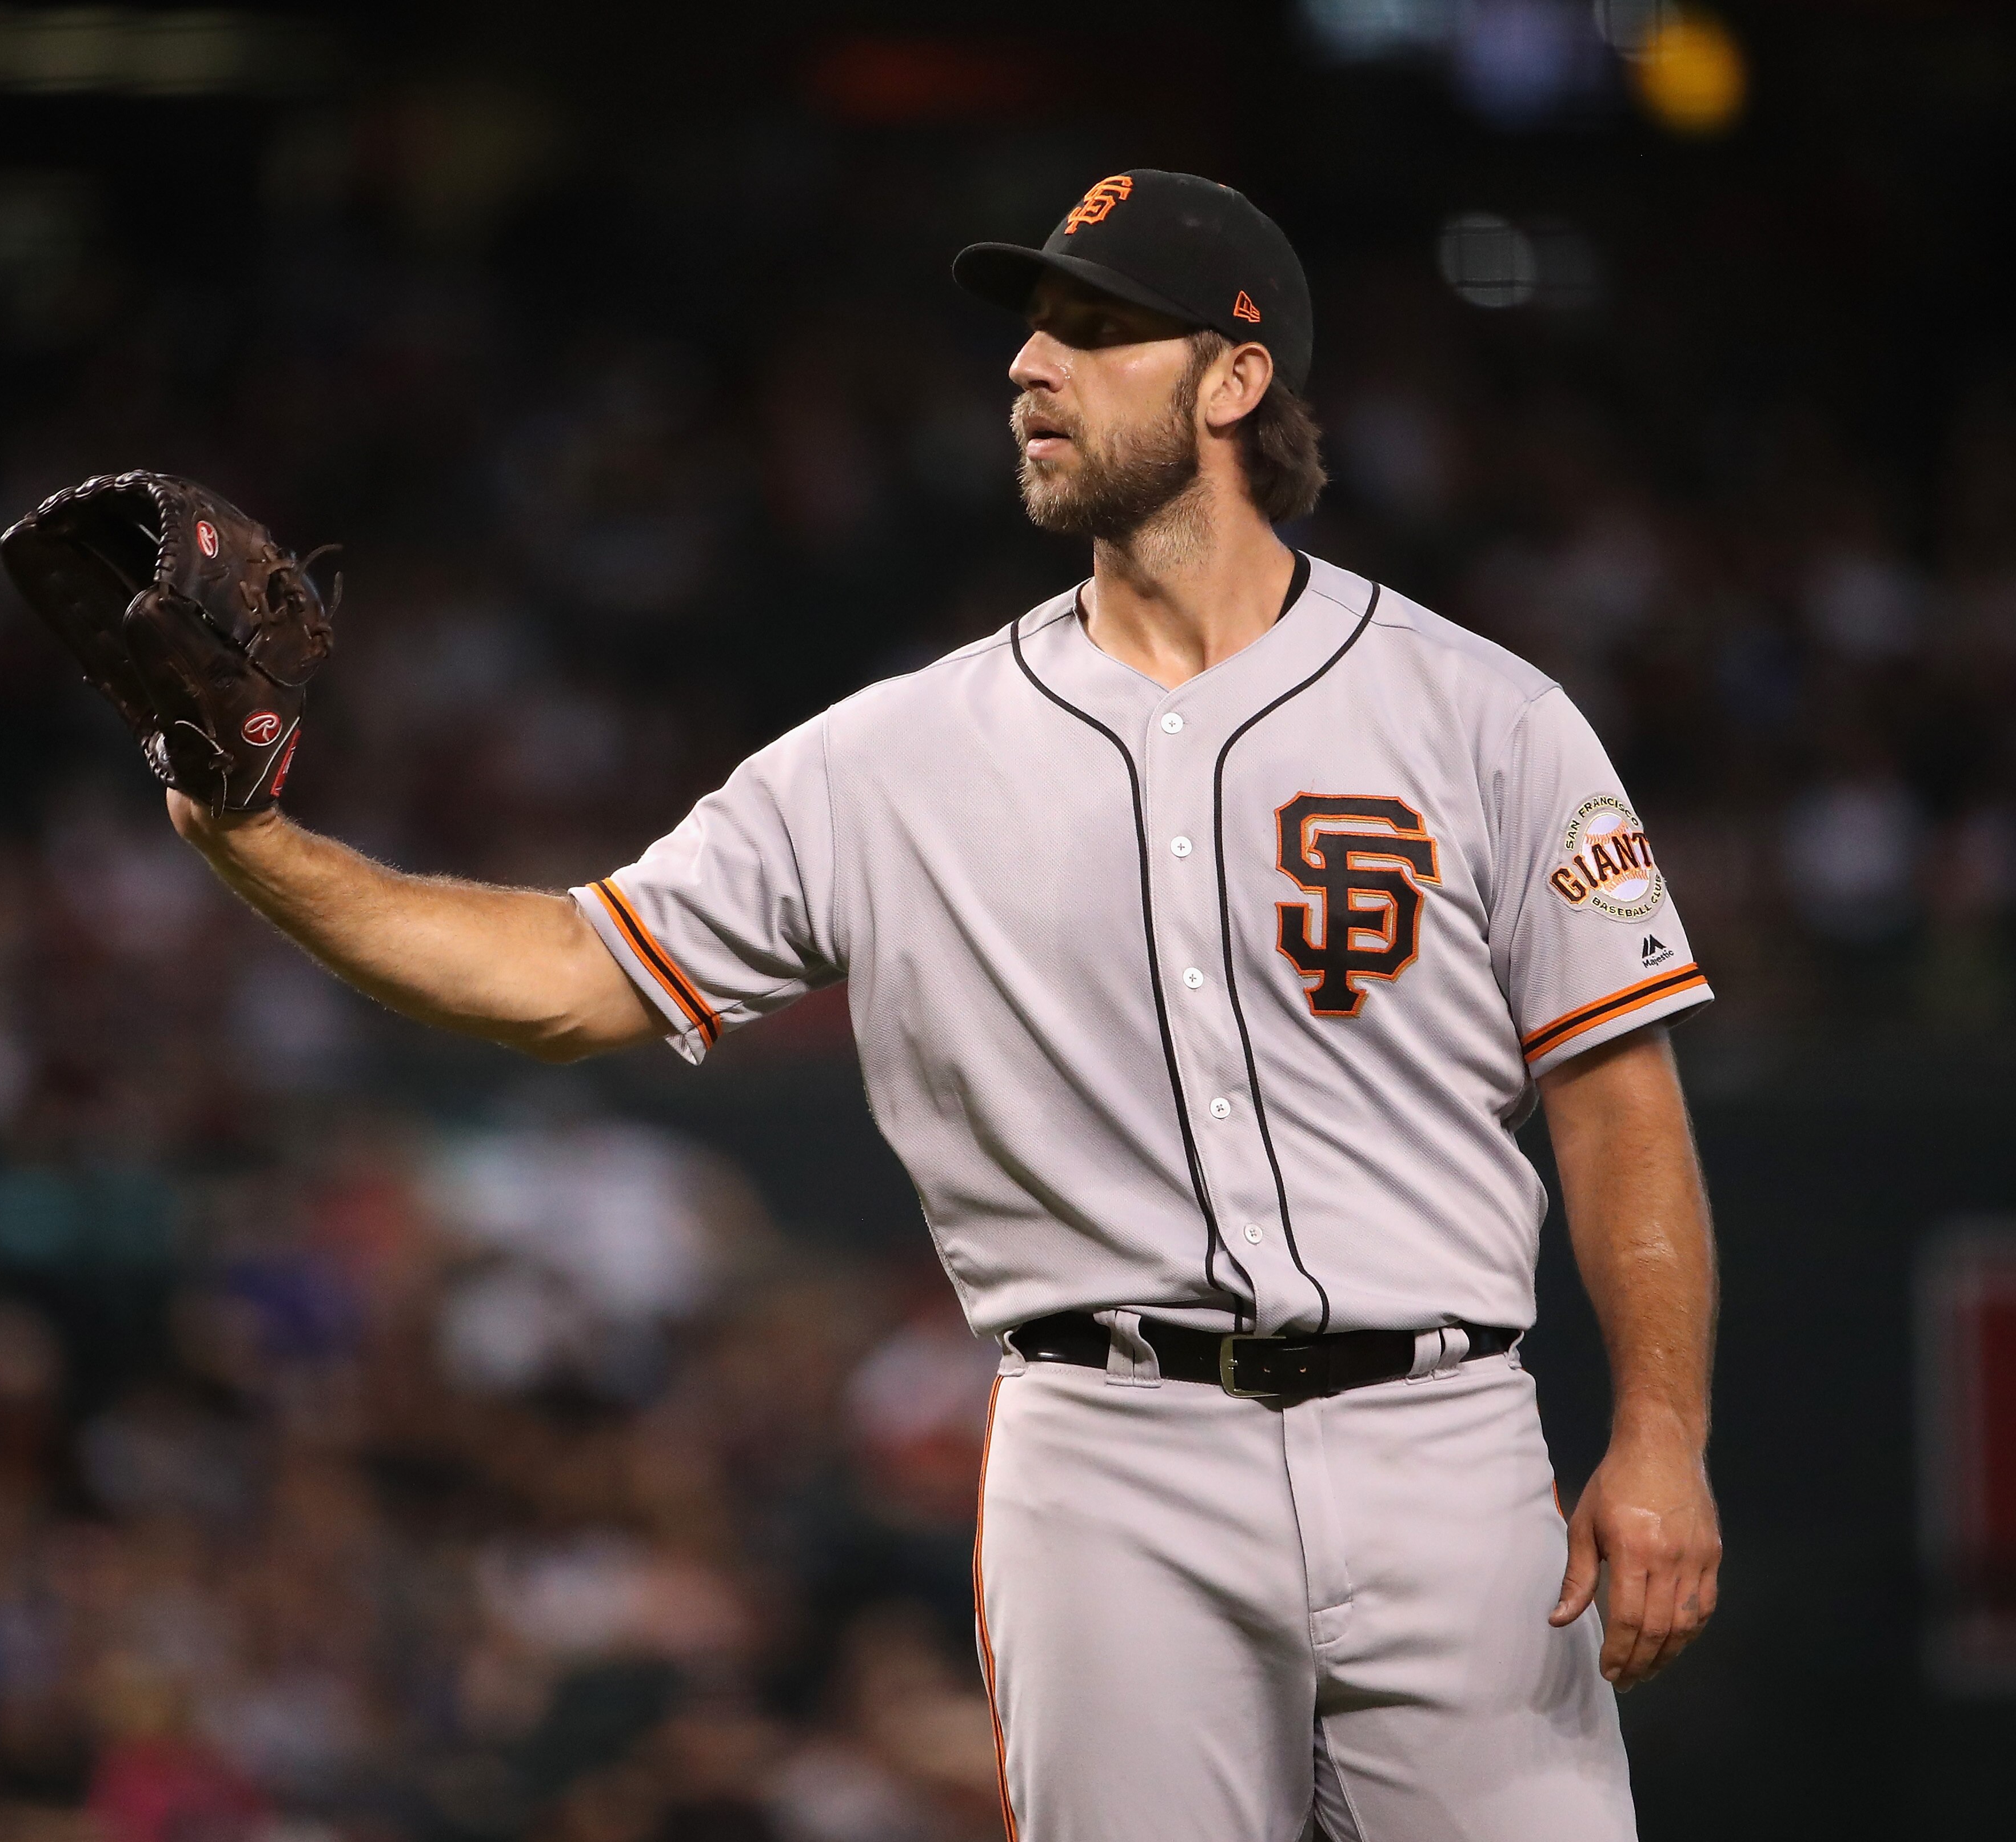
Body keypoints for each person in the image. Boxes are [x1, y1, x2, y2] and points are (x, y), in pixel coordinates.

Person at [139, 170, 1719, 1840]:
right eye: (1027, 329)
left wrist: (1660, 1436)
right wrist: (250, 846)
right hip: (1110, 1458)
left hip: (1444, 1436)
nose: (1029, 365)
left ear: (1233, 381)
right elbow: (563, 979)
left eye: (1094, 329)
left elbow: (1616, 1099)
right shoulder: (895, 754)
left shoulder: (1481, 715)